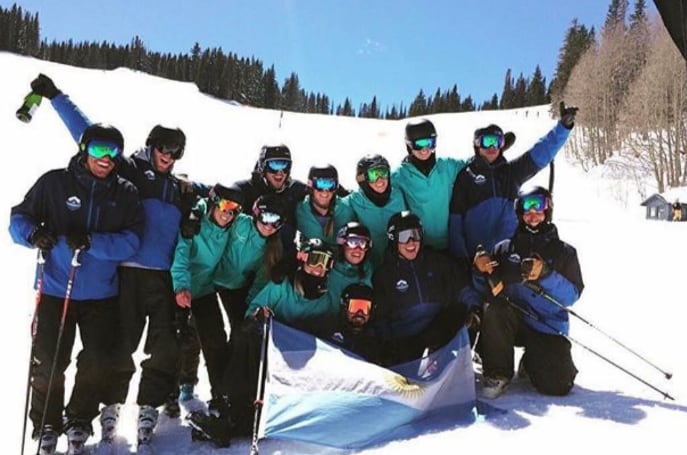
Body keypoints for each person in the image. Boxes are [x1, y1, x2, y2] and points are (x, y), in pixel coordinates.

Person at [30, 73, 196, 449]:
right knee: (118, 347)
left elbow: (225, 200)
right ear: (151, 146)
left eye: (176, 152)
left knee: (163, 345)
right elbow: (87, 133)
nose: (168, 157)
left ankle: (151, 403)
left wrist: (195, 214)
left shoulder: (182, 187)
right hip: (123, 273)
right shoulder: (128, 170)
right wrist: (56, 96)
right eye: (163, 149)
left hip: (162, 276)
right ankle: (110, 404)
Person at [9, 123, 144, 454]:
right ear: (84, 149)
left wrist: (94, 243)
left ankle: (79, 418)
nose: (106, 158)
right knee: (49, 359)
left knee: (96, 360)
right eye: (99, 149)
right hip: (56, 287)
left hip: (101, 294)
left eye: (114, 152)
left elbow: (132, 242)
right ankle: (46, 423)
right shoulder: (54, 183)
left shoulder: (125, 193)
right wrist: (32, 234)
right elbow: (18, 218)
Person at [187, 238, 337, 447]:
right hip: (273, 352)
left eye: (326, 263)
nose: (319, 268)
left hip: (301, 357)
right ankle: (233, 410)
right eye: (315, 260)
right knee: (244, 337)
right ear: (302, 260)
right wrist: (258, 316)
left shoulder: (326, 298)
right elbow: (253, 310)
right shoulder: (282, 286)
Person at [472, 186, 584, 399]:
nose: (533, 215)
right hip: (514, 321)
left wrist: (546, 274)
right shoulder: (505, 249)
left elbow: (571, 296)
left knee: (558, 386)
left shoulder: (565, 252)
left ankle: (532, 362)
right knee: (494, 309)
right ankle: (498, 373)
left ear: (548, 211)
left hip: (546, 325)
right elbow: (483, 288)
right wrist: (479, 270)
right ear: (519, 213)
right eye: (527, 209)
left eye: (539, 208)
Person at [448, 101, 578, 265]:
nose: (493, 147)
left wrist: (563, 128)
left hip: (509, 259)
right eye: (487, 141)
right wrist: (461, 260)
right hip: (478, 262)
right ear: (476, 145)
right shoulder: (466, 177)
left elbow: (540, 153)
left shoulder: (511, 172)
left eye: (498, 142)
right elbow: (455, 223)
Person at [372, 211, 480, 365]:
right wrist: (387, 348)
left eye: (415, 235)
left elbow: (462, 289)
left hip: (439, 335)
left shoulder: (438, 263)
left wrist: (475, 308)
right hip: (407, 341)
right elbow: (380, 320)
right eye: (404, 237)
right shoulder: (384, 275)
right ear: (393, 239)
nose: (411, 243)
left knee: (456, 311)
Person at [392, 119, 468, 252]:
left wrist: (491, 150)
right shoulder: (400, 175)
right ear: (409, 145)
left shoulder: (447, 166)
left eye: (429, 143)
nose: (424, 150)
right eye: (419, 145)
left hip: (450, 243)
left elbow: (473, 165)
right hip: (419, 247)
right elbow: (377, 186)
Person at [345, 154, 408, 269]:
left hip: (400, 265)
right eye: (374, 175)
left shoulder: (399, 195)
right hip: (372, 267)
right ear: (363, 179)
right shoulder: (354, 202)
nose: (380, 180)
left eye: (383, 173)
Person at [296, 164, 355, 248]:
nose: (325, 192)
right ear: (310, 185)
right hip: (311, 259)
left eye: (330, 185)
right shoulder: (299, 210)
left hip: (339, 259)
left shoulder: (347, 209)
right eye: (320, 185)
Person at [327, 221, 374, 307]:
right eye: (352, 242)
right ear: (342, 245)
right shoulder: (328, 270)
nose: (358, 249)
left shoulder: (368, 271)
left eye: (363, 243)